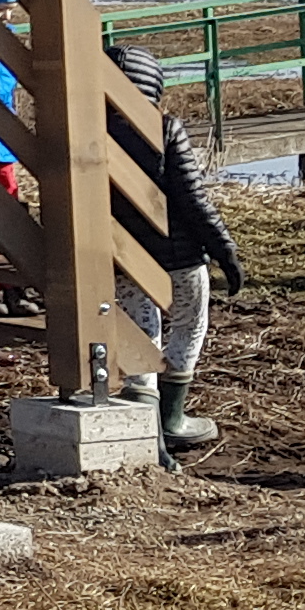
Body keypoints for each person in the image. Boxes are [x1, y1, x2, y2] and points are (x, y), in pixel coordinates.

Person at [105, 43, 244, 455]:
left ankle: (143, 419)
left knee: (141, 328)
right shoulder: (164, 128)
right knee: (188, 323)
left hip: (122, 255)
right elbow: (193, 198)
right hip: (178, 256)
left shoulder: (84, 131)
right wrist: (225, 249)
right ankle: (172, 419)